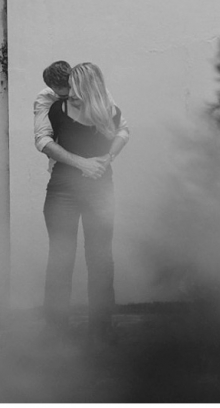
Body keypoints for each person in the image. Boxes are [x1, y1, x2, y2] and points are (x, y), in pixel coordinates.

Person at [38, 62, 128, 348]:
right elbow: (43, 140)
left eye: (74, 85)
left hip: (98, 191)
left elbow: (120, 135)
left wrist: (105, 161)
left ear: (85, 86)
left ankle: (101, 331)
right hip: (64, 190)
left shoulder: (110, 112)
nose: (69, 92)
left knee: (100, 259)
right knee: (61, 258)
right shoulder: (55, 109)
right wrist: (85, 165)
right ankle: (55, 330)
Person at [34, 60, 129, 176]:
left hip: (99, 172)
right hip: (64, 174)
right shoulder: (46, 98)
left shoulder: (95, 92)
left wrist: (109, 156)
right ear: (52, 88)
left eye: (74, 90)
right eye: (64, 96)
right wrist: (83, 164)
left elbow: (122, 129)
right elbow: (42, 140)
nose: (71, 96)